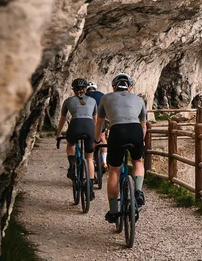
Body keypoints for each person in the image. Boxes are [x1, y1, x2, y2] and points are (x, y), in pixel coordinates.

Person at [96, 73, 147, 223]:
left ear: (114, 87)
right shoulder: (139, 100)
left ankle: (113, 211)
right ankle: (137, 191)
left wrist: (97, 139)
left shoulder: (106, 98)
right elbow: (143, 126)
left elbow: (99, 124)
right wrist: (140, 141)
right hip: (136, 130)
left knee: (114, 170)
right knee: (137, 161)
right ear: (129, 87)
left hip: (117, 131)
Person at [55, 78, 97, 192]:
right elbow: (95, 120)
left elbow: (62, 119)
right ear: (85, 89)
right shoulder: (92, 101)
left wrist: (58, 133)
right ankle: (90, 185)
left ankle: (72, 165)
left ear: (73, 89)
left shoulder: (68, 101)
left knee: (71, 144)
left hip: (75, 125)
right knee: (89, 158)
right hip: (89, 127)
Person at [84, 81, 108, 169]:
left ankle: (90, 160)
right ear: (95, 88)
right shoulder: (102, 95)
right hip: (100, 119)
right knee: (102, 138)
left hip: (88, 120)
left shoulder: (85, 96)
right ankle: (104, 161)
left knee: (89, 139)